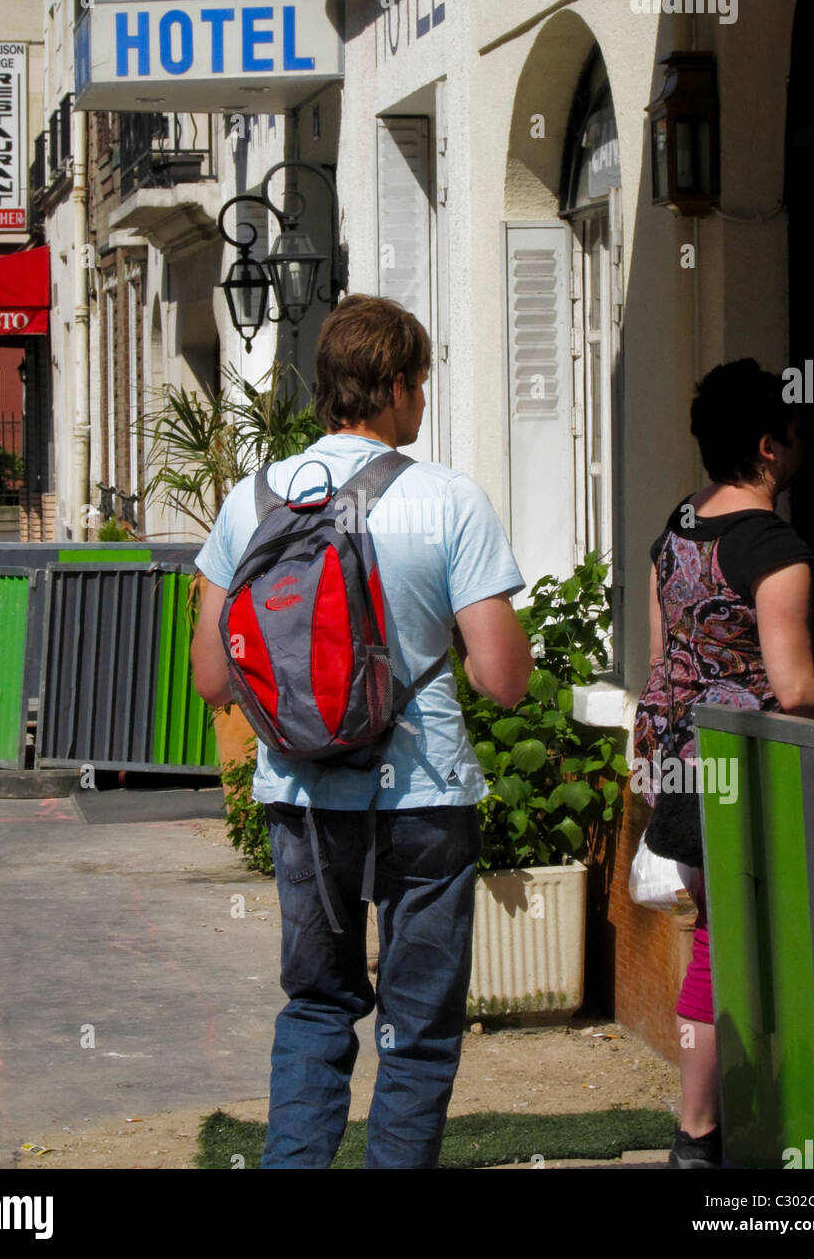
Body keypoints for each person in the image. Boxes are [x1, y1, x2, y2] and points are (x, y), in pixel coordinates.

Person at [191, 294, 534, 1169]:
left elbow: (209, 680)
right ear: (390, 386)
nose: (422, 398)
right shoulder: (448, 498)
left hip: (304, 795)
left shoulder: (252, 500)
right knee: (417, 1026)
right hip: (422, 796)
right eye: (418, 381)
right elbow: (501, 679)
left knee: (315, 1004)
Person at [634, 358, 814, 1170]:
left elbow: (663, 658)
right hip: (746, 779)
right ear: (769, 447)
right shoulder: (772, 548)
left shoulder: (679, 523)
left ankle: (734, 1121)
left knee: (719, 940)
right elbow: (794, 684)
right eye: (799, 435)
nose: (805, 449)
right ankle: (701, 1133)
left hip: (678, 762)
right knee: (734, 947)